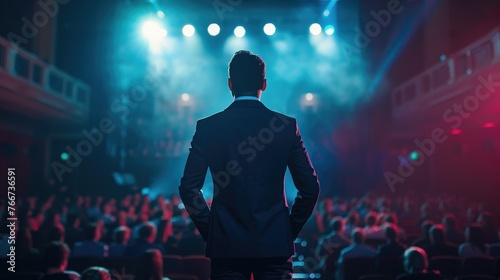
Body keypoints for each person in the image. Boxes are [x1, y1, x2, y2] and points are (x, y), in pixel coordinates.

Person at [178, 50, 320, 280]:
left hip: (226, 247)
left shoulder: (208, 127)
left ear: (230, 84)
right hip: (274, 245)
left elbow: (188, 189)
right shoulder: (285, 126)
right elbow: (310, 188)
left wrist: (212, 230)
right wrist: (286, 230)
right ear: (264, 84)